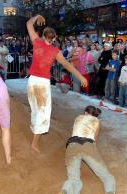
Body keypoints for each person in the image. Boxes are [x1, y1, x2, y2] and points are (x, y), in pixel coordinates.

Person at [26, 15, 87, 153]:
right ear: (53, 38)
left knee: (35, 108)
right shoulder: (55, 51)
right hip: (42, 83)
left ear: (42, 35)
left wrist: (37, 17)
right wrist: (81, 77)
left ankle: (34, 129)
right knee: (43, 112)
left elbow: (29, 23)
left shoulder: (36, 41)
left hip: (31, 81)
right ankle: (34, 143)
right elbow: (67, 65)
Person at [52, 106, 123, 194]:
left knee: (74, 179)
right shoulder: (97, 121)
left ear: (85, 113)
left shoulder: (78, 118)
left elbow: (74, 132)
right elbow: (94, 140)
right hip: (88, 146)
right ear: (95, 115)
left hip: (72, 145)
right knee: (106, 176)